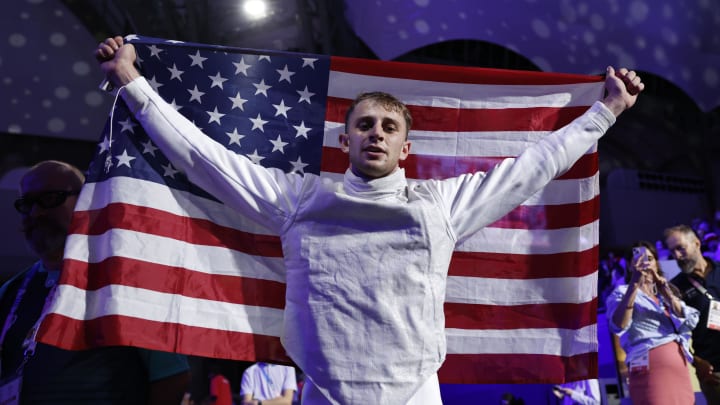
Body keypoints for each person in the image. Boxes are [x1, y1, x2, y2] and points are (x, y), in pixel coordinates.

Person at [95, 35, 644, 404]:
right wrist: (132, 83)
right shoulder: (300, 199)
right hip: (324, 392)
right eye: (364, 125)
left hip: (414, 393)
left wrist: (607, 111)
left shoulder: (439, 205)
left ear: (406, 148)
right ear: (345, 139)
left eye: (387, 126)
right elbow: (204, 158)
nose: (376, 133)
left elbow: (534, 167)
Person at [0, 160, 191, 404]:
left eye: (50, 198)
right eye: (26, 204)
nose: (36, 213)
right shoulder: (11, 292)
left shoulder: (126, 280)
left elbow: (171, 377)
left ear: (85, 201)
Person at [605, 241, 699, 404]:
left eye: (650, 258)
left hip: (679, 369)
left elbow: (690, 320)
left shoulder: (665, 292)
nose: (645, 263)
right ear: (629, 266)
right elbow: (618, 325)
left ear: (656, 262)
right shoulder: (620, 293)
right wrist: (634, 284)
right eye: (639, 259)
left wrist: (666, 292)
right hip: (649, 368)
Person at [665, 224, 720, 404]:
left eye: (681, 248)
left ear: (697, 243)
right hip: (713, 371)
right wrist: (697, 362)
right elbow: (673, 336)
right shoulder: (675, 288)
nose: (677, 256)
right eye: (673, 251)